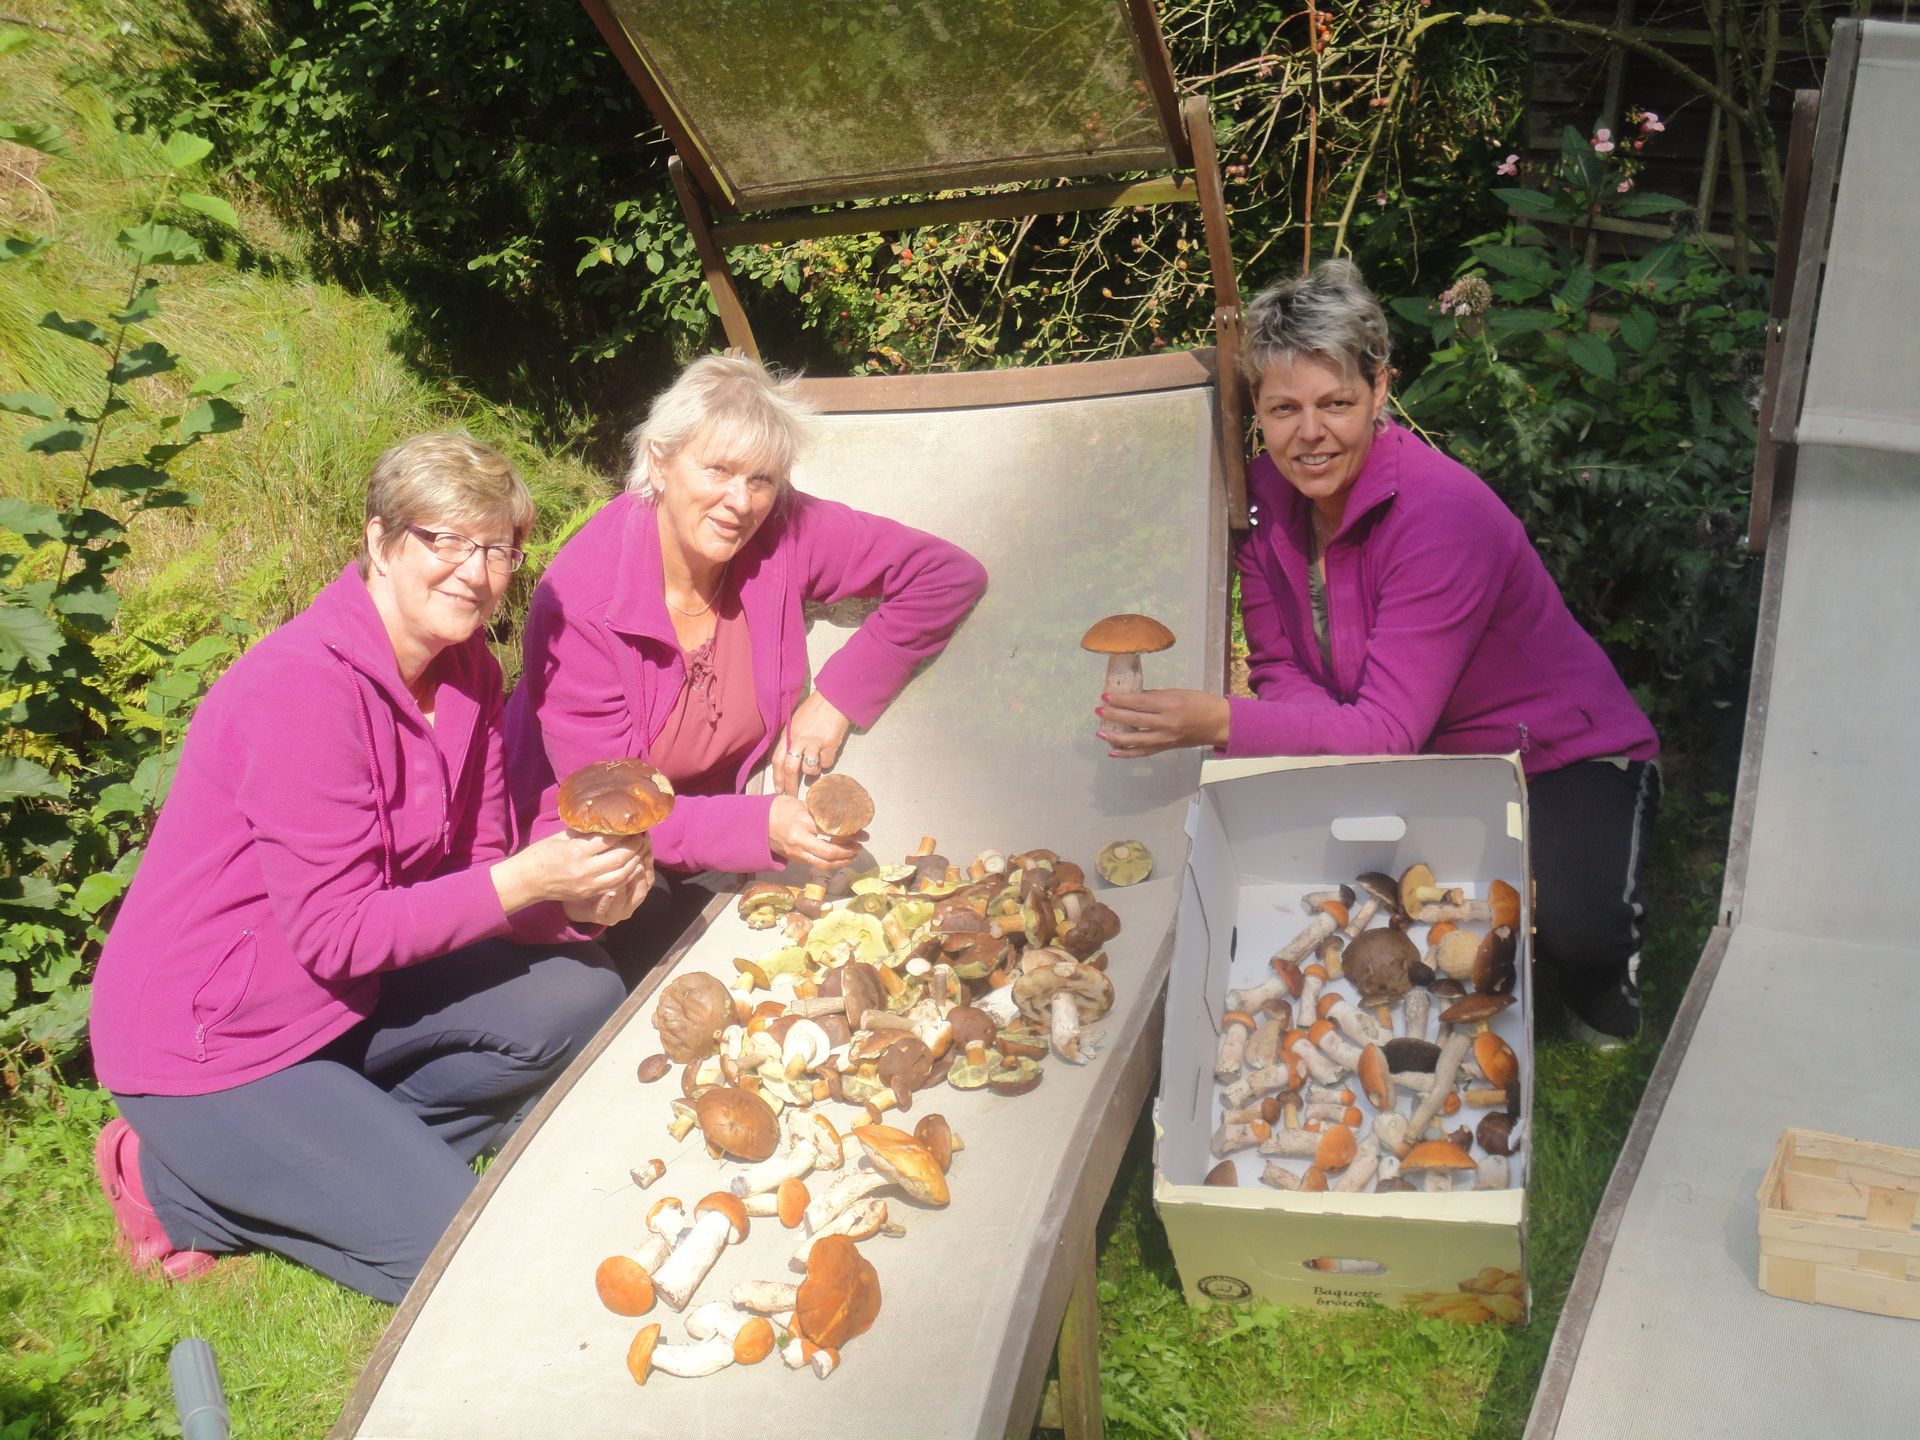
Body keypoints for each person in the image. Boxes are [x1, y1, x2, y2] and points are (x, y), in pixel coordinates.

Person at [90, 434, 652, 1300]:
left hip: (343, 1002)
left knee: (582, 993)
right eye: (447, 540)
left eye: (499, 548)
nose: (476, 570)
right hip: (213, 1043)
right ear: (381, 541)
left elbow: (479, 869)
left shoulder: (467, 670)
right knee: (459, 1264)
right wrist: (536, 878)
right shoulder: (303, 689)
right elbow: (338, 931)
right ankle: (178, 1183)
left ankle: (327, 1154)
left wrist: (587, 899)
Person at [1098, 260, 1660, 1047]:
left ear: (1381, 391)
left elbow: (1383, 733)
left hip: (1560, 756)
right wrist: (1319, 739)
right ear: (1255, 409)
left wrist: (1219, 721)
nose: (1310, 433)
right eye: (1283, 408)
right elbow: (1281, 668)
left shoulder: (1443, 516)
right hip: (1424, 755)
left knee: (1576, 934)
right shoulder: (1259, 499)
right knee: (1352, 910)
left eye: (1337, 404)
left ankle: (1606, 981)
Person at [505, 354, 987, 978]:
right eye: (719, 470)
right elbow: (605, 809)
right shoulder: (582, 601)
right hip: (591, 853)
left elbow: (946, 575)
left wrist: (838, 697)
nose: (740, 501)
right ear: (659, 461)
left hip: (716, 827)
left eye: (761, 479)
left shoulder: (783, 528)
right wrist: (761, 826)